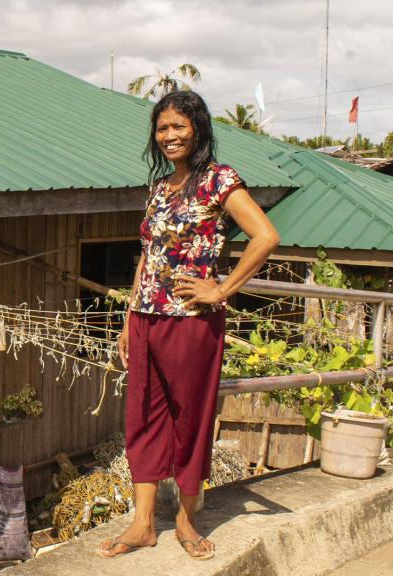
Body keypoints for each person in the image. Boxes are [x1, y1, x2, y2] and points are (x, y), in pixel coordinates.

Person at [98, 91, 279, 560]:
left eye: (179, 126)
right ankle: (141, 524)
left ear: (197, 128)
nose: (170, 136)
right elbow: (147, 255)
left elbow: (265, 236)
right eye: (162, 129)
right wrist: (128, 318)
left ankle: (185, 520)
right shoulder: (160, 188)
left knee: (190, 419)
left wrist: (221, 290)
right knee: (142, 416)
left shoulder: (220, 181)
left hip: (190, 320)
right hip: (145, 317)